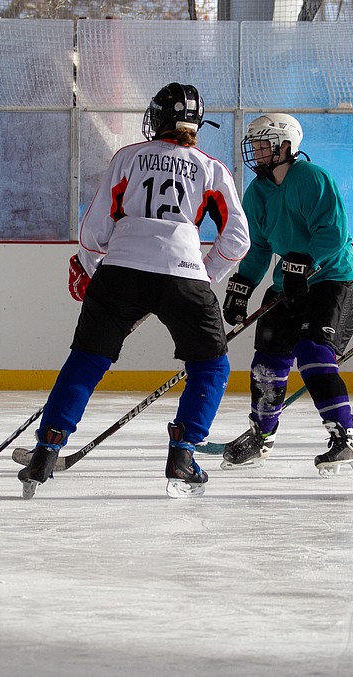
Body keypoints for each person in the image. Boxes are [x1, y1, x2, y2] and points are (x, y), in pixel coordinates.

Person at [18, 82, 249, 499]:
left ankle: (46, 450)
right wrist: (205, 274)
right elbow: (237, 239)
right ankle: (182, 455)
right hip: (184, 276)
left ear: (157, 118)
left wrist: (90, 268)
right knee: (211, 367)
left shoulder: (128, 157)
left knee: (86, 361)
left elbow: (94, 229)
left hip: (120, 272)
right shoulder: (212, 168)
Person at [218, 113, 353, 476]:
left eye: (263, 145)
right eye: (253, 145)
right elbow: (258, 247)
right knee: (266, 361)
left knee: (313, 353)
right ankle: (261, 435)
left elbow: (333, 233)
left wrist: (306, 261)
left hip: (332, 279)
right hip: (288, 285)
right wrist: (243, 284)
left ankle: (346, 438)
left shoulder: (313, 179)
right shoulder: (258, 192)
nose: (256, 152)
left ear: (286, 147)